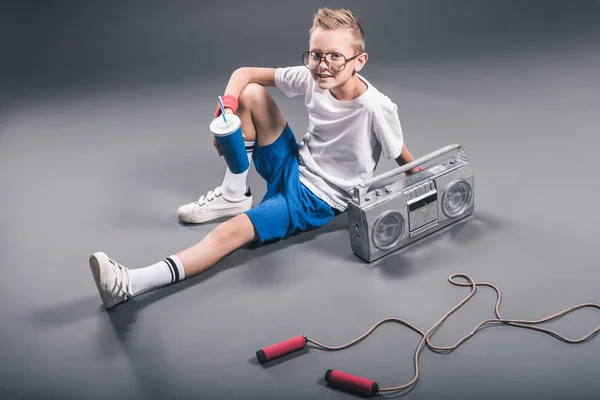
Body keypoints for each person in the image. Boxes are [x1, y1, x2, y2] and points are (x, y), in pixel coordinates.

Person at [89, 8, 421, 310]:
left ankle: (129, 284)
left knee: (229, 235)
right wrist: (226, 117)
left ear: (359, 61)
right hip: (293, 163)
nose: (322, 65)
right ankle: (234, 195)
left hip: (313, 200)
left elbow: (403, 159)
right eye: (316, 55)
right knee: (251, 94)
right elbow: (244, 72)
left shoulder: (376, 107)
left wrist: (423, 190)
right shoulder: (313, 78)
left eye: (335, 56)